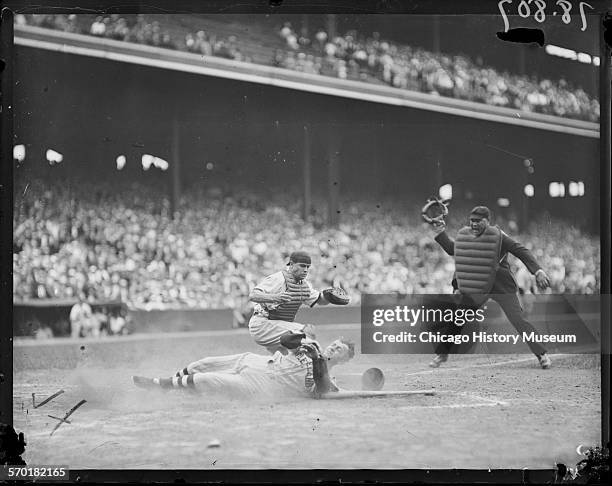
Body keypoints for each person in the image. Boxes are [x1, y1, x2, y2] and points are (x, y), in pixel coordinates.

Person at [429, 205, 552, 369]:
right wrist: (440, 233)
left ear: (488, 221)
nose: (473, 224)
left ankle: (542, 354)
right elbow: (454, 250)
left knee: (518, 320)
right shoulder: (468, 237)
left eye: (478, 221)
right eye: (471, 221)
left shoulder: (499, 237)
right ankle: (442, 354)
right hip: (479, 286)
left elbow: (520, 250)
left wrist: (537, 271)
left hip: (501, 286)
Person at [132, 332, 355, 398]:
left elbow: (324, 388)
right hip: (254, 361)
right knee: (204, 363)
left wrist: (316, 358)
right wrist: (299, 340)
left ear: (343, 360)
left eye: (339, 350)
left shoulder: (328, 380)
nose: (333, 348)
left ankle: (160, 385)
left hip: (259, 384)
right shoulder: (311, 344)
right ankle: (173, 385)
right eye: (334, 344)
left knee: (204, 379)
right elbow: (285, 341)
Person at [248, 251, 335, 354]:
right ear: (292, 264)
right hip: (262, 324)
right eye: (302, 266)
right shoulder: (279, 278)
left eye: (308, 267)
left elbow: (320, 300)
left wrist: (330, 297)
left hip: (276, 327)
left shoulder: (304, 286)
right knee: (306, 333)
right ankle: (323, 365)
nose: (306, 270)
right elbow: (253, 295)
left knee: (288, 361)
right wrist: (276, 297)